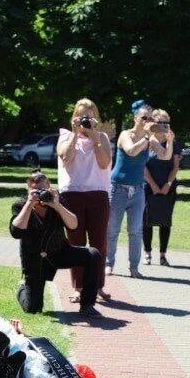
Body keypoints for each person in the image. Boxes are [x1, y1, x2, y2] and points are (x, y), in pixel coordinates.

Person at [10, 171, 102, 316]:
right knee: (33, 308)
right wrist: (29, 204)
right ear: (28, 190)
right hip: (35, 262)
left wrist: (57, 206)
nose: (41, 194)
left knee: (92, 254)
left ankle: (87, 305)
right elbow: (16, 232)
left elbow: (73, 226)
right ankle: (22, 287)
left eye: (43, 190)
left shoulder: (57, 201)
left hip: (59, 252)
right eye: (36, 190)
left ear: (50, 187)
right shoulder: (20, 205)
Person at [57, 98, 113, 302]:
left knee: (99, 242)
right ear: (74, 118)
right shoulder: (65, 135)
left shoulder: (103, 138)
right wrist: (74, 133)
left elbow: (105, 162)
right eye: (82, 116)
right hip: (72, 195)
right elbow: (65, 156)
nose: (86, 121)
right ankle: (78, 287)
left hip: (97, 194)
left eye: (90, 117)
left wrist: (95, 136)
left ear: (96, 118)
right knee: (76, 242)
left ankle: (97, 287)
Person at [107, 101, 170, 278]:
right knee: (113, 230)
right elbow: (132, 151)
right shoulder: (126, 134)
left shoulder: (150, 139)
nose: (147, 121)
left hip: (138, 190)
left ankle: (134, 268)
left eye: (150, 118)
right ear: (135, 118)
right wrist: (148, 137)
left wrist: (169, 141)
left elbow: (165, 156)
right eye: (144, 118)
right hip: (118, 189)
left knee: (135, 231)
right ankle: (108, 264)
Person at [143, 109, 181, 266]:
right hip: (148, 187)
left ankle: (163, 255)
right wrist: (152, 185)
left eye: (166, 123)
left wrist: (167, 184)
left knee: (165, 221)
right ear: (152, 124)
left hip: (168, 187)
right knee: (146, 220)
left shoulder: (174, 143)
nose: (163, 126)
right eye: (160, 123)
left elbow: (175, 167)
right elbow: (142, 166)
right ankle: (147, 253)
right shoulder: (147, 142)